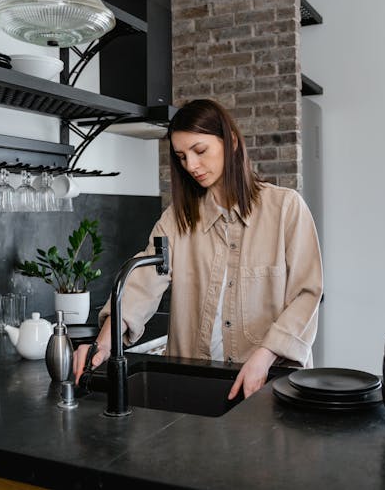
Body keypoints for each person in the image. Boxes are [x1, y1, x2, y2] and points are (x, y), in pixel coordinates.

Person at [73, 99, 323, 399]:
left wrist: (265, 354)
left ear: (230, 141)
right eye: (181, 156)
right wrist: (103, 343)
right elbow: (141, 285)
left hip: (272, 383)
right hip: (197, 385)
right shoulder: (176, 221)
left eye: (199, 151)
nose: (190, 165)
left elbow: (306, 294)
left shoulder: (285, 208)